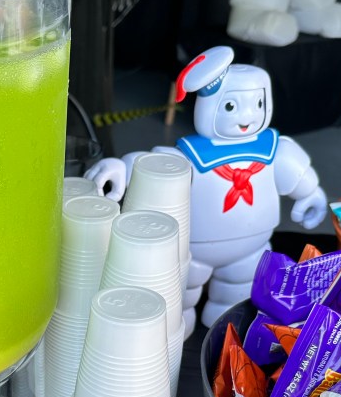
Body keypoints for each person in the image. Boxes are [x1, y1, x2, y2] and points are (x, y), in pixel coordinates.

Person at [85, 45, 328, 331]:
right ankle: (177, 324)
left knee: (239, 291)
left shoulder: (273, 149)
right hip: (193, 250)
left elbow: (297, 174)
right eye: (231, 106)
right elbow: (155, 166)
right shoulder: (190, 155)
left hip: (252, 246)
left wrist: (311, 194)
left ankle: (225, 321)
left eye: (257, 104)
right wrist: (124, 169)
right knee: (179, 293)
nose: (246, 116)